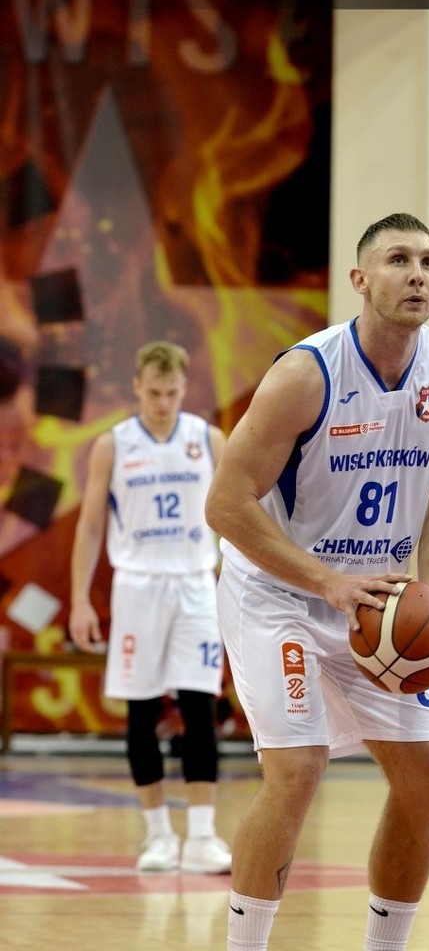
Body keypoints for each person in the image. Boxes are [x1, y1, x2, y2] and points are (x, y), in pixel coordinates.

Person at [205, 213, 429, 949]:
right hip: (281, 593)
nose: (417, 274)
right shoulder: (305, 375)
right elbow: (225, 505)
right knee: (297, 770)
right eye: (398, 260)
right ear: (360, 279)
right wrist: (325, 581)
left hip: (375, 602)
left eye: (428, 261)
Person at [69, 340, 232, 874]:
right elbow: (90, 526)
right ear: (137, 386)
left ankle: (202, 836)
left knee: (199, 707)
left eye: (173, 393)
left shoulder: (208, 439)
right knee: (142, 710)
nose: (163, 402)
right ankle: (157, 834)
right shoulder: (112, 445)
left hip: (195, 584)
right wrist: (79, 600)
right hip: (137, 586)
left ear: (185, 390)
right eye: (154, 392)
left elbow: (238, 514)